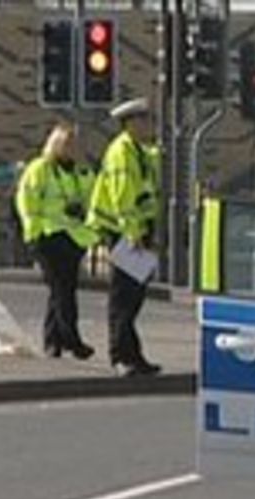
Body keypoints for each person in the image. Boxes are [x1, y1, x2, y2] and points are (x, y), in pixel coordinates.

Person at [87, 97, 162, 377]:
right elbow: (122, 197)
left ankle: (133, 354)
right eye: (144, 120)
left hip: (135, 231)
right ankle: (120, 356)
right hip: (123, 232)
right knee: (123, 297)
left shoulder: (137, 150)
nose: (148, 125)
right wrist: (133, 234)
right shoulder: (121, 152)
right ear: (130, 123)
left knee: (134, 296)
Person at [15, 123, 99, 360]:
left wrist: (85, 215)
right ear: (55, 144)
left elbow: (93, 199)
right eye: (67, 143)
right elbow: (26, 201)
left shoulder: (81, 171)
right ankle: (72, 339)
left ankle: (53, 343)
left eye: (74, 143)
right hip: (48, 235)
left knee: (60, 290)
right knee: (63, 290)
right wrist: (34, 233)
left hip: (74, 236)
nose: (72, 148)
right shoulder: (40, 169)